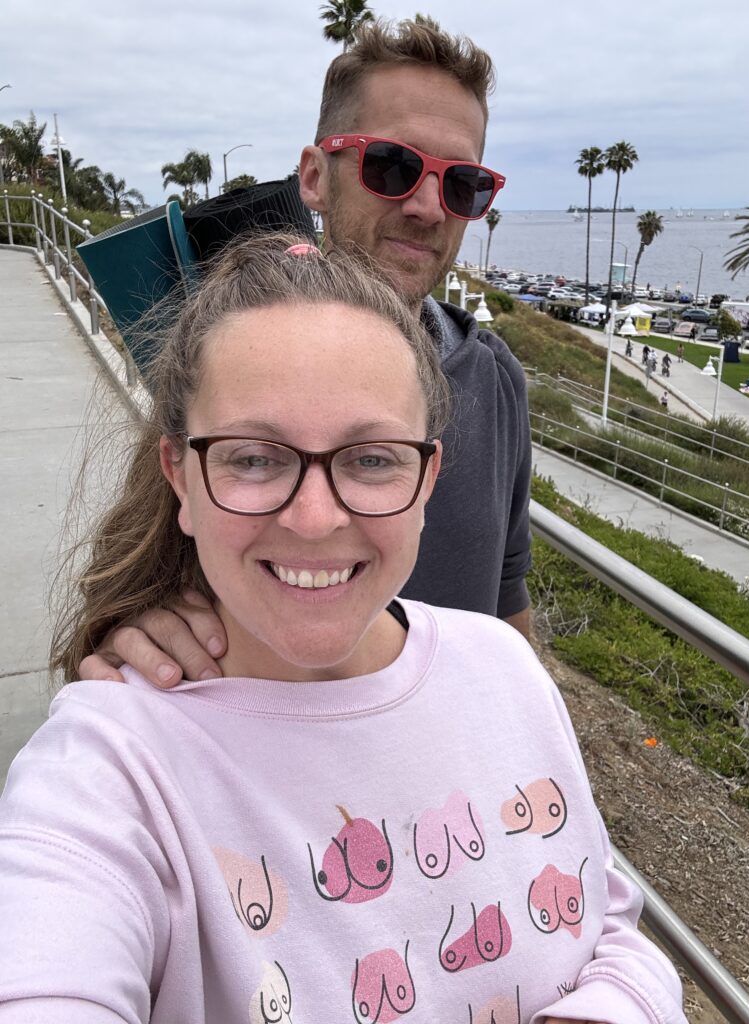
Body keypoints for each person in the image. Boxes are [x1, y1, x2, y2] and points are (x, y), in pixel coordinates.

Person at [0, 235, 687, 1024]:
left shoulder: (503, 667)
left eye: (370, 460)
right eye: (254, 459)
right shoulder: (109, 764)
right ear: (180, 477)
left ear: (427, 478)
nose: (317, 518)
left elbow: (605, 918)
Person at [78, 17, 533, 690]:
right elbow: (127, 588)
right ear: (315, 177)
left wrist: (532, 725)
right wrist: (135, 631)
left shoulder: (494, 378)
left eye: (462, 184)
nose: (430, 207)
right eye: (393, 167)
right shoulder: (231, 364)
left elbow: (506, 596)